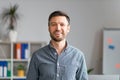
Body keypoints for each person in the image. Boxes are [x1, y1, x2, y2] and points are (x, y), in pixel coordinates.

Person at [26, 10, 88, 80]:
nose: (58, 28)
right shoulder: (37, 56)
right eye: (53, 24)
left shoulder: (78, 56)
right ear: (49, 28)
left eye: (62, 24)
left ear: (68, 28)